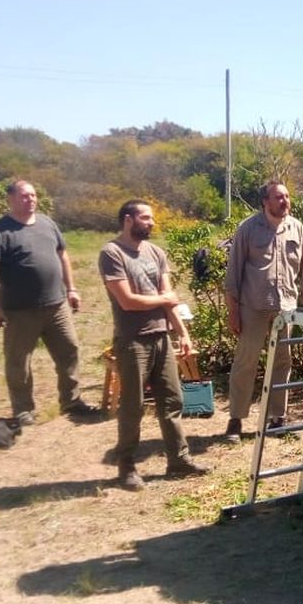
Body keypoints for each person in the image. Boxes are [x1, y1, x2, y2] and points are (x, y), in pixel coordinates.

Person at [98, 199, 208, 490]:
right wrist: (164, 300)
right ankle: (127, 466)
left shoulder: (156, 252)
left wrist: (182, 333)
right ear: (128, 220)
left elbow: (168, 296)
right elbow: (127, 301)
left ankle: (178, 460)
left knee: (172, 400)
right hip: (132, 340)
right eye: (145, 218)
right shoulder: (112, 253)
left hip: (161, 337)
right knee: (133, 406)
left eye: (151, 218)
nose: (152, 223)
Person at [0, 180, 102, 425]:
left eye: (33, 195)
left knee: (69, 351)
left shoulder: (47, 223)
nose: (31, 200)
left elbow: (62, 255)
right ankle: (23, 410)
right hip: (19, 310)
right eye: (25, 196)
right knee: (19, 361)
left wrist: (72, 289)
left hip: (57, 305)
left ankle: (72, 402)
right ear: (11, 199)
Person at [221, 181, 303, 442]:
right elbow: (233, 275)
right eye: (278, 197)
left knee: (282, 363)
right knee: (246, 362)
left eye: (287, 196)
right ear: (265, 202)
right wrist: (233, 313)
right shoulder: (248, 229)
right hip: (252, 307)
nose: (285, 201)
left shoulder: (297, 228)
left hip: (286, 308)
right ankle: (236, 421)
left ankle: (278, 419)